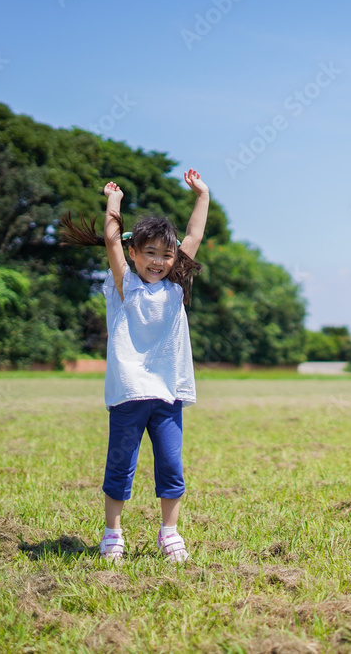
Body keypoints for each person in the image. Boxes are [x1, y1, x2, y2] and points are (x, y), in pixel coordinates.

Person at [60, 169, 210, 562]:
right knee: (120, 466)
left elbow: (193, 235)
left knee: (171, 466)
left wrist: (202, 196)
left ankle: (170, 533)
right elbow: (112, 238)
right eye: (151, 253)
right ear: (134, 253)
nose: (159, 261)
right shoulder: (125, 285)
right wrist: (114, 202)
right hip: (129, 393)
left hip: (168, 394)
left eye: (167, 255)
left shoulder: (175, 287)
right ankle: (112, 533)